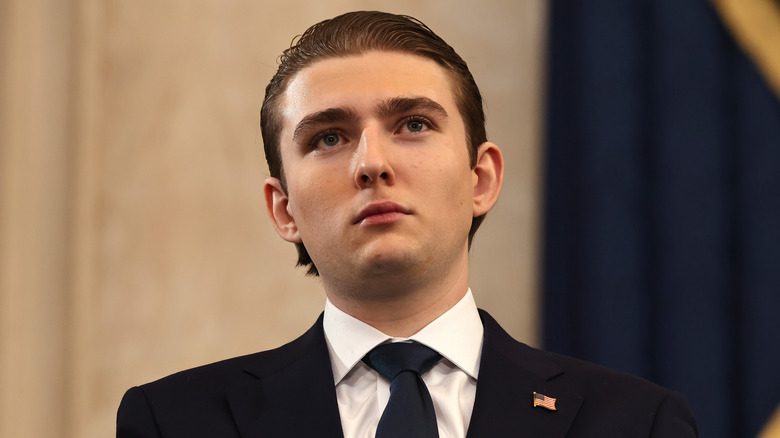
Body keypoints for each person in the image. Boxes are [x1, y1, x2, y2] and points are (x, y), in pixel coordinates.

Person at [117, 11, 698, 438]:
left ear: (481, 178)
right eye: (328, 137)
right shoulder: (175, 422)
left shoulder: (635, 422)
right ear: (284, 208)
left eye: (413, 124)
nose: (372, 162)